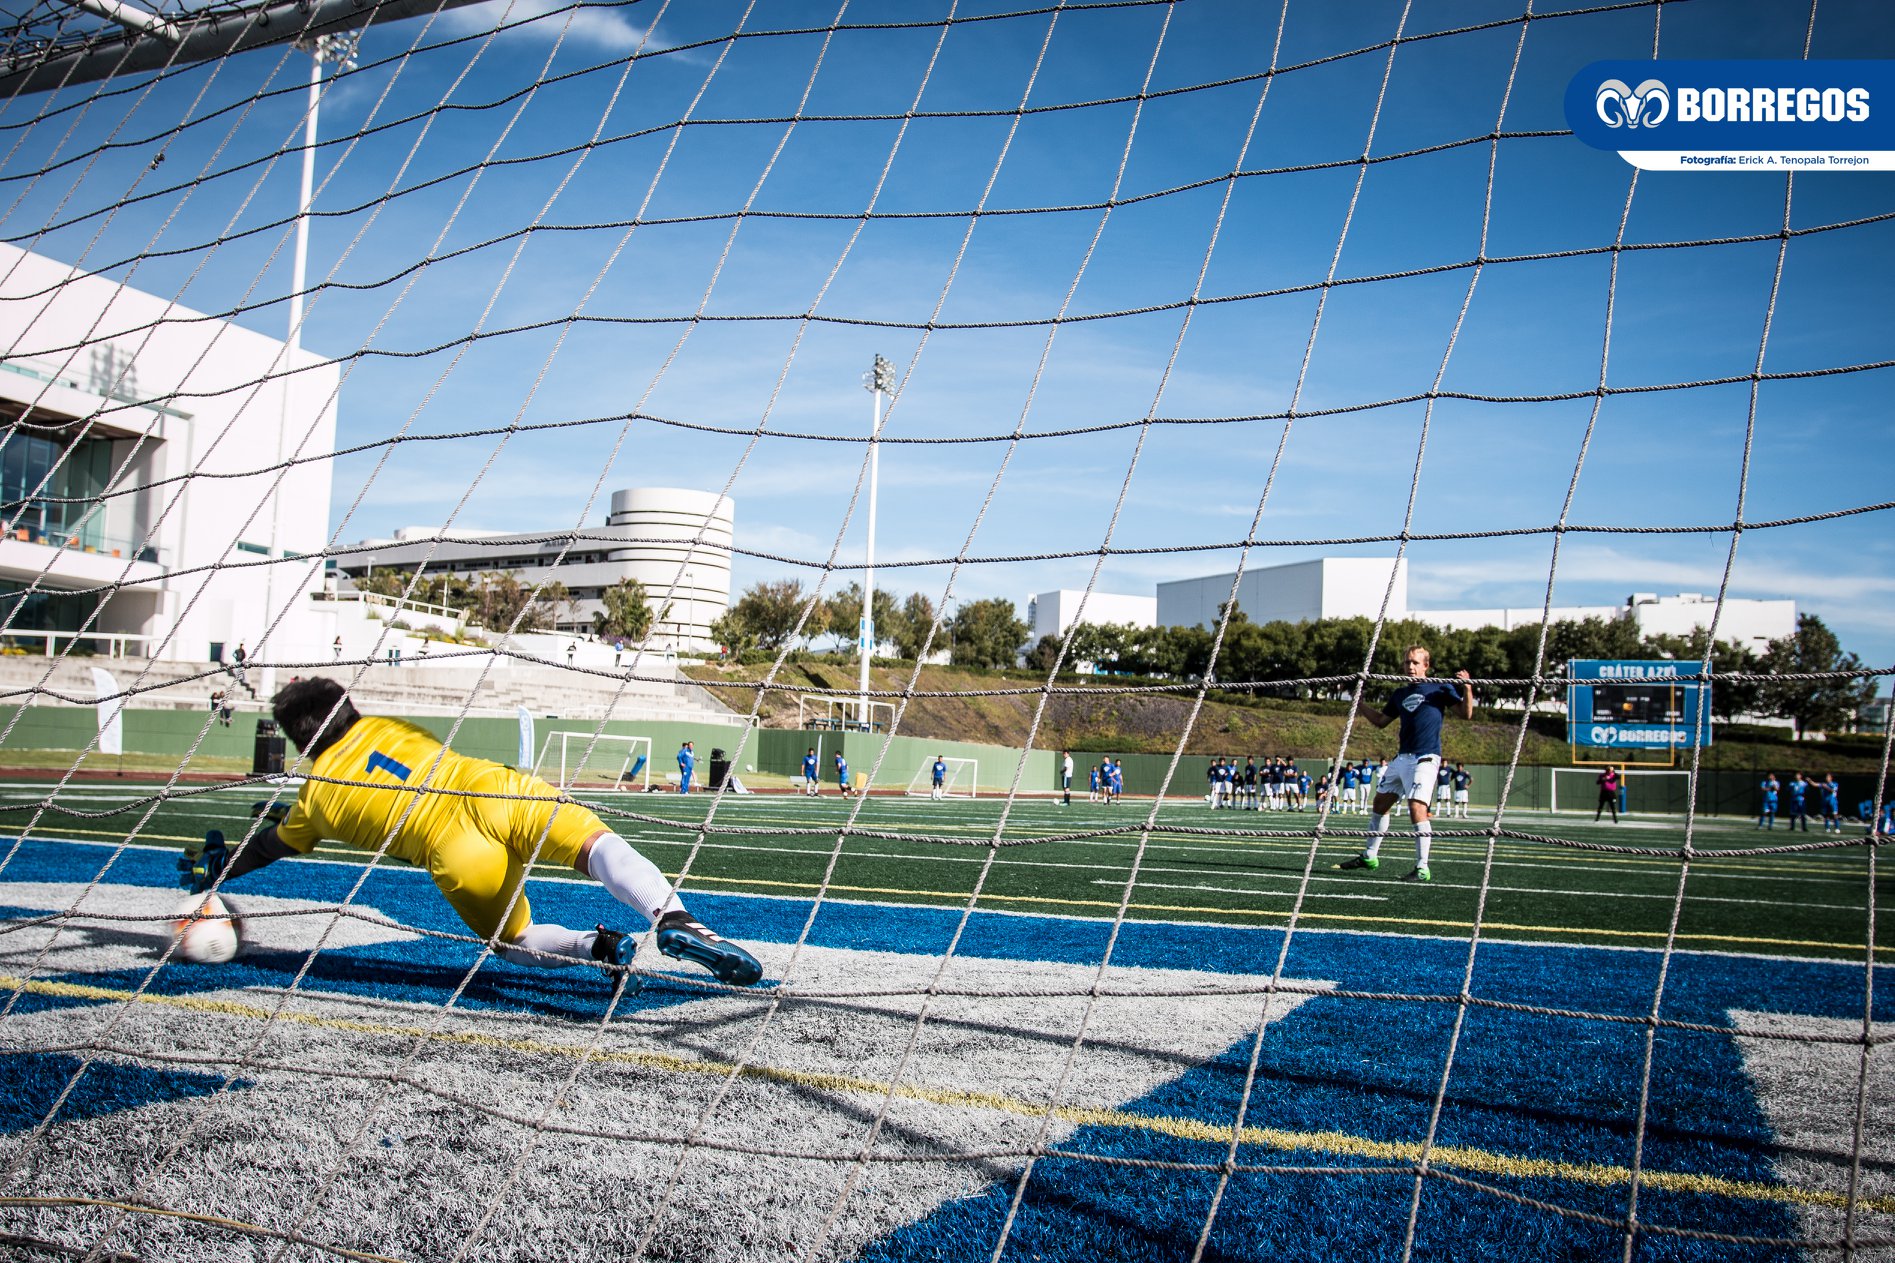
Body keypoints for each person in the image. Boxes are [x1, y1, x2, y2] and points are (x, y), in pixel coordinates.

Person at [178, 677, 761, 986]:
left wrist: (220, 864)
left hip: (454, 853)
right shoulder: (387, 725)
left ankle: (598, 948)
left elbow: (272, 846)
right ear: (349, 710)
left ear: (301, 742)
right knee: (596, 845)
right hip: (489, 788)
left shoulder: (318, 797)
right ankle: (673, 917)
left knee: (514, 941)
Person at [1333, 646, 1472, 883]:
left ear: (1426, 666)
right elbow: (1380, 721)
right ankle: (1370, 856)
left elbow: (1465, 714)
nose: (1410, 667)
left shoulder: (1441, 687)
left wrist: (1468, 687)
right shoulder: (1399, 693)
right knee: (1379, 804)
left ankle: (1422, 868)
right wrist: (1360, 704)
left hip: (1425, 758)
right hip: (1402, 758)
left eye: (1416, 663)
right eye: (1408, 662)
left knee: (1417, 808)